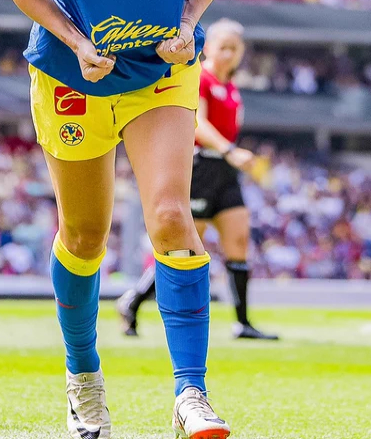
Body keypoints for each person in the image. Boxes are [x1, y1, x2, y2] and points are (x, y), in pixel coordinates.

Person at [0, 0, 234, 439]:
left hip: (158, 75)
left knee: (168, 216)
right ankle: (83, 378)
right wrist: (74, 40)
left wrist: (189, 22)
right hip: (73, 79)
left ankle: (191, 392)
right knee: (84, 237)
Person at [116, 19, 277, 341]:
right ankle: (134, 300)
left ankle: (242, 322)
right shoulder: (200, 78)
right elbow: (197, 123)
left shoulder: (231, 85)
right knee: (186, 247)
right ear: (211, 47)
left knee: (239, 242)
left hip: (226, 172)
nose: (229, 54)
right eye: (224, 47)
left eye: (235, 48)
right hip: (201, 166)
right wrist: (231, 150)